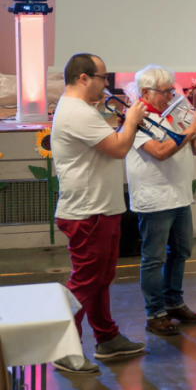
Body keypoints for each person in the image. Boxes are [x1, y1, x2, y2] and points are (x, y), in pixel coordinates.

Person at [50, 53, 146, 373]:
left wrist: (125, 123)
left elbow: (109, 143)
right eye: (104, 78)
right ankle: (65, 349)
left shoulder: (83, 111)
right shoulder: (77, 112)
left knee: (101, 279)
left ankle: (106, 338)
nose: (107, 85)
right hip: (88, 212)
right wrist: (131, 120)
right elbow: (119, 148)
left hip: (100, 208)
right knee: (85, 282)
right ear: (83, 78)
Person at [126, 65, 196, 335]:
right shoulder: (136, 119)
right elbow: (160, 152)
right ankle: (155, 313)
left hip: (180, 195)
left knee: (182, 251)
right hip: (155, 198)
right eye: (165, 91)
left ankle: (174, 302)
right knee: (154, 258)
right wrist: (190, 130)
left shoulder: (174, 114)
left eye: (171, 90)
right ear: (146, 93)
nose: (170, 95)